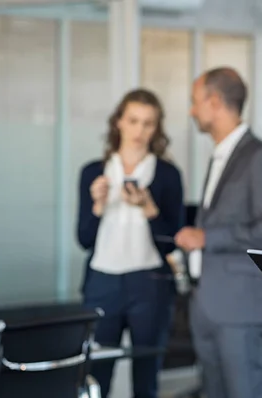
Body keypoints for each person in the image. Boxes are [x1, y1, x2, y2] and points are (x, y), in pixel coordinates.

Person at [174, 67, 262, 398]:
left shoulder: (260, 157)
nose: (192, 110)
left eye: (195, 102)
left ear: (214, 102)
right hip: (207, 302)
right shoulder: (221, 155)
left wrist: (207, 238)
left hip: (239, 307)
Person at [78, 89, 185, 398]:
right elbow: (84, 239)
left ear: (157, 128)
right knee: (96, 373)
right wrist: (97, 206)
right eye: (134, 121)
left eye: (148, 123)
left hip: (149, 284)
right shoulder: (92, 173)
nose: (140, 131)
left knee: (146, 374)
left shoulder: (167, 175)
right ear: (119, 123)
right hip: (101, 283)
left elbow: (172, 243)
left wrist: (150, 211)